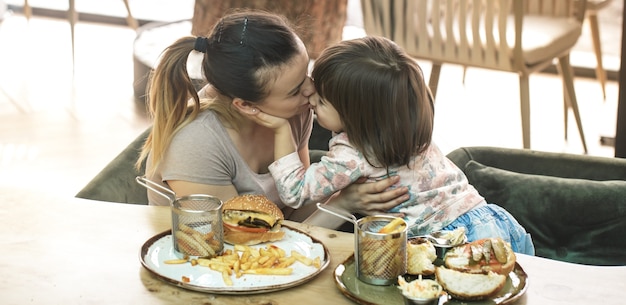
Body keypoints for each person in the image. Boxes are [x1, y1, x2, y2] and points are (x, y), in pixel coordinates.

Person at [259, 36, 534, 254]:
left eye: (322, 100)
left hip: (449, 244)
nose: (311, 99)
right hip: (494, 223)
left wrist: (282, 130)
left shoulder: (351, 154)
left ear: (358, 115)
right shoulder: (403, 128)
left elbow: (295, 192)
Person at [135, 10, 409, 224]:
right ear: (245, 105)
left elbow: (295, 209)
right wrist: (342, 204)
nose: (311, 90)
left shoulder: (292, 111)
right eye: (294, 90)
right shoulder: (196, 145)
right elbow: (238, 247)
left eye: (306, 74)